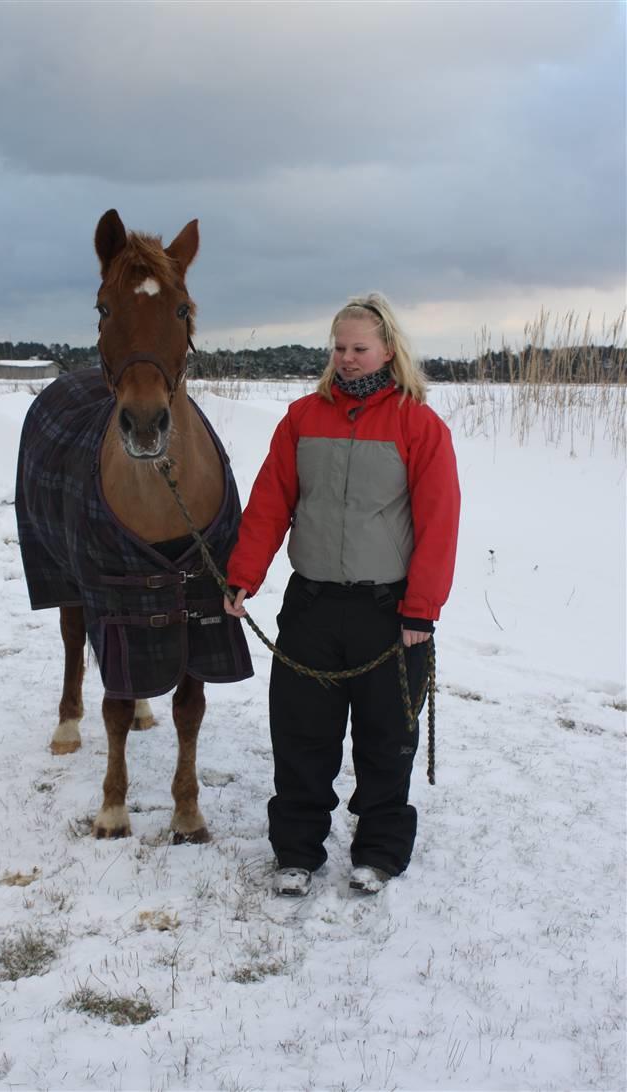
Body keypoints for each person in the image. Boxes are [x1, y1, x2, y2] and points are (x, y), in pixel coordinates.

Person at [224, 293, 460, 896]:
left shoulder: (418, 425)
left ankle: (379, 850)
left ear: (388, 349)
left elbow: (439, 522)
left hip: (389, 612)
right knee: (301, 733)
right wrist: (243, 574)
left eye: (360, 348)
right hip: (312, 606)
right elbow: (271, 501)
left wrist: (422, 611)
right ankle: (296, 851)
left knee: (386, 737)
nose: (348, 359)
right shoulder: (302, 418)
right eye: (339, 348)